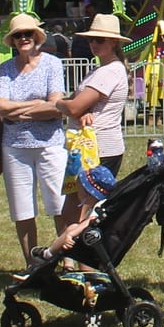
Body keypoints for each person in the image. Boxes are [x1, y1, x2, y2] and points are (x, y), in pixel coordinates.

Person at [0, 13, 68, 262]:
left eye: (28, 34)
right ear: (13, 41)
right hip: (15, 147)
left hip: (50, 144)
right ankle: (31, 263)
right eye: (18, 35)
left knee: (59, 203)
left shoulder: (52, 64)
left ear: (37, 37)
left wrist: (18, 112)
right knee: (21, 208)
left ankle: (67, 260)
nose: (23, 38)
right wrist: (37, 104)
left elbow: (56, 105)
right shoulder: (6, 68)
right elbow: (0, 107)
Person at [55, 12, 132, 225]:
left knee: (85, 212)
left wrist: (58, 103)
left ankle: (83, 247)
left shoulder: (110, 71)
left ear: (113, 42)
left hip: (99, 149)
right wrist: (75, 107)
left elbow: (73, 106)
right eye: (90, 40)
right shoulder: (100, 69)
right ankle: (72, 246)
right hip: (87, 146)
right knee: (74, 207)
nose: (93, 44)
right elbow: (77, 105)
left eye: (99, 40)